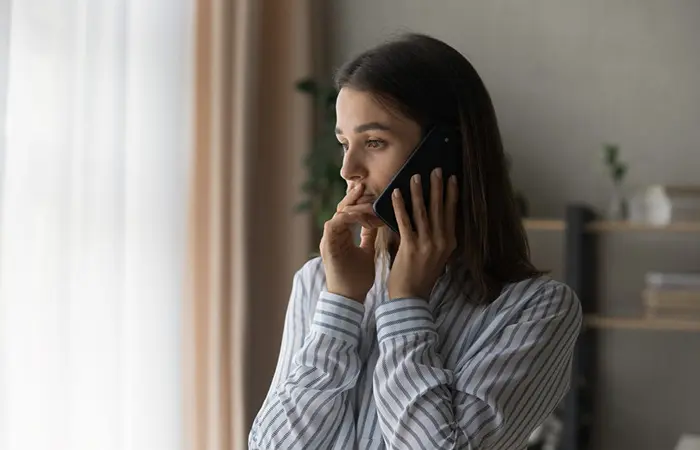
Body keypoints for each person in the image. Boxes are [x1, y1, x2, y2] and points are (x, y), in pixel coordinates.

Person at [248, 32, 582, 450]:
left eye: (374, 142)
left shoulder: (536, 310)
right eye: (344, 144)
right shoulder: (319, 282)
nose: (347, 169)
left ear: (445, 151)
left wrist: (406, 303)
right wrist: (341, 304)